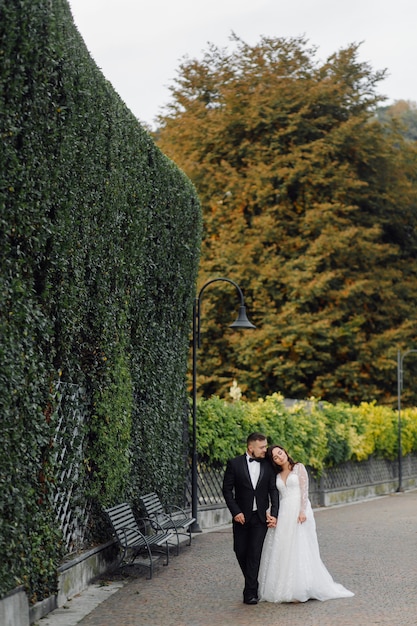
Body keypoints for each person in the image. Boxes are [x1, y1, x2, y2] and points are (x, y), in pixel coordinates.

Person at [258, 444, 354, 603]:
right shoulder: (277, 474)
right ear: (273, 461)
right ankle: (282, 588)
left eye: (280, 453)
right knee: (283, 547)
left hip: (298, 510)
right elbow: (276, 497)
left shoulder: (299, 468)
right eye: (275, 457)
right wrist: (270, 512)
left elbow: (304, 491)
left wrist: (302, 511)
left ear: (285, 452)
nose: (279, 457)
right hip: (284, 512)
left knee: (299, 546)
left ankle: (299, 588)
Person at [222, 432, 279, 605]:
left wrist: (274, 513)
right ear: (250, 448)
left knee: (254, 553)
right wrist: (235, 511)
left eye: (265, 446)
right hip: (241, 517)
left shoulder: (268, 465)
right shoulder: (234, 464)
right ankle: (253, 582)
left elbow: (273, 491)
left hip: (260, 518)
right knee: (240, 551)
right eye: (261, 447)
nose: (265, 450)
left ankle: (250, 592)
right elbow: (227, 490)